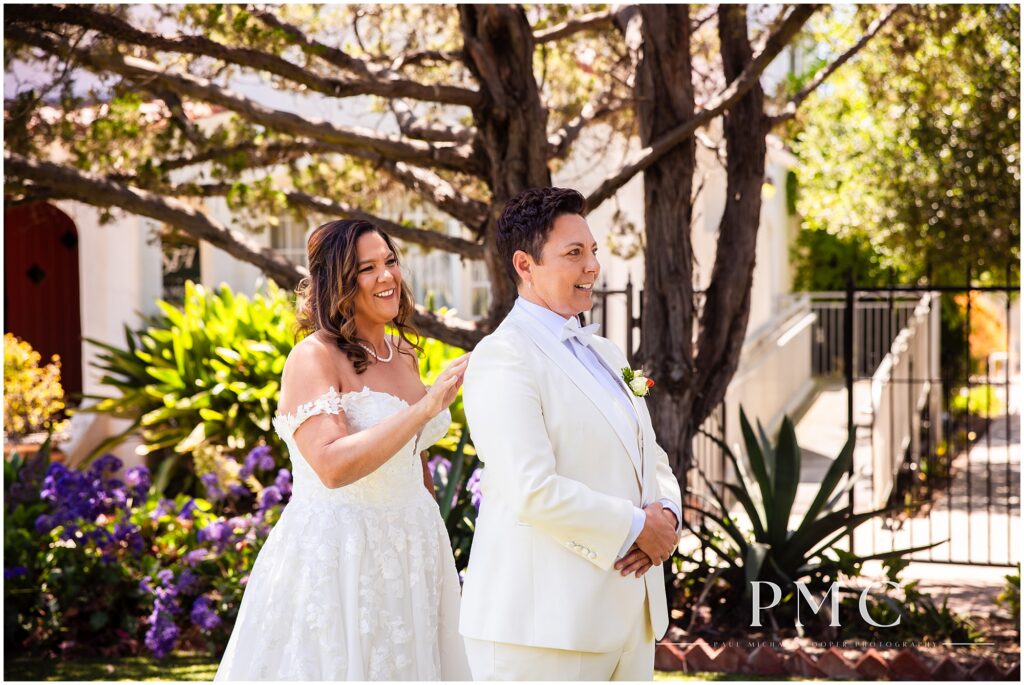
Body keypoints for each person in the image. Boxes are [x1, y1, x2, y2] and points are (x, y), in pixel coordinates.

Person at [215, 219, 471, 681]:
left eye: (390, 261)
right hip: (343, 553)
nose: (387, 276)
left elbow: (412, 459)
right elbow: (331, 466)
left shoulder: (404, 354)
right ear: (337, 282)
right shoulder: (313, 357)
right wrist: (427, 406)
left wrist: (429, 531)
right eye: (366, 269)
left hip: (413, 549)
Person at [459, 187, 682, 680]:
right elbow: (531, 489)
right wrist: (634, 527)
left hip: (629, 617)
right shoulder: (504, 356)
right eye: (574, 253)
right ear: (525, 265)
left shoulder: (608, 353)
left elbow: (653, 458)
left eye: (593, 251)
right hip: (543, 630)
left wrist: (667, 514)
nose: (592, 267)